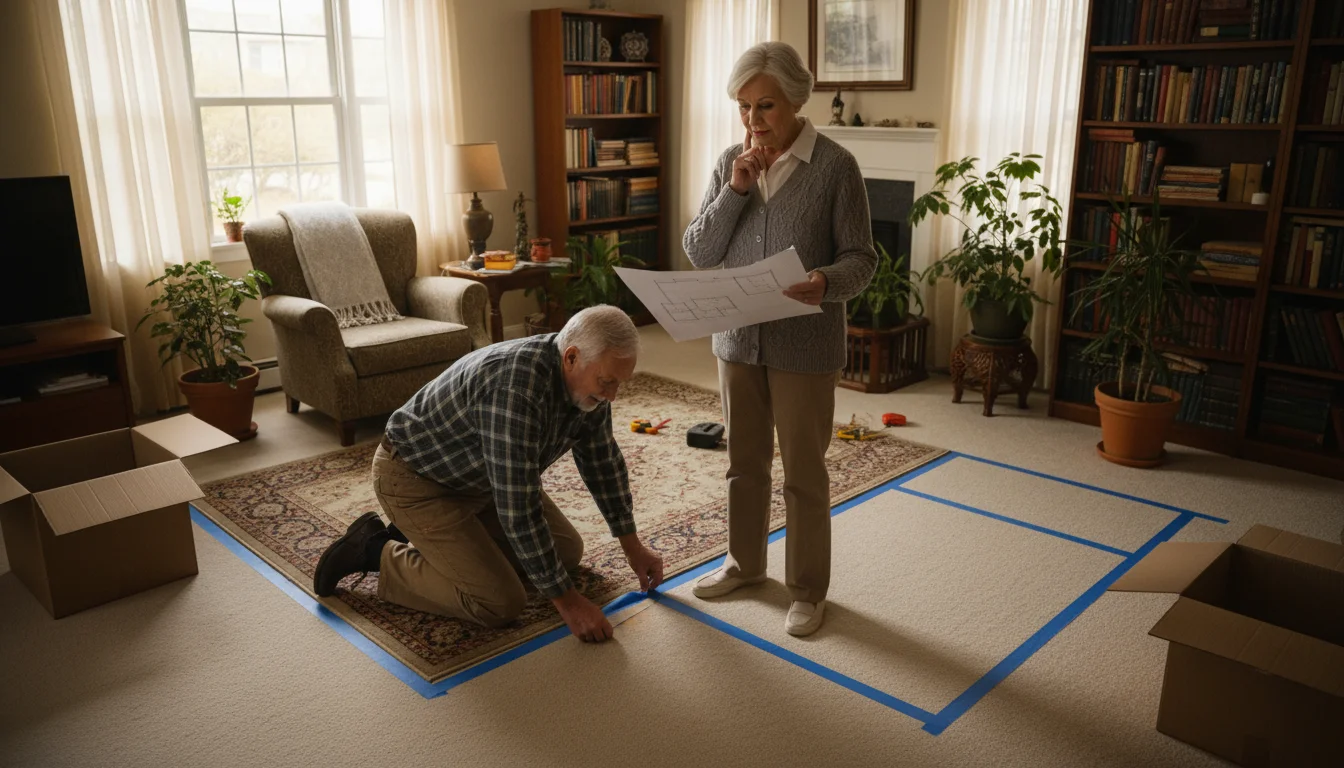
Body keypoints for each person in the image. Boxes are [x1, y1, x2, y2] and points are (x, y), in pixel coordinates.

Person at [312, 306, 665, 643]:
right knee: (500, 602)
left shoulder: (590, 390)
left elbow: (602, 462)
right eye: (607, 382)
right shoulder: (514, 389)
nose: (613, 395)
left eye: (620, 384)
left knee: (567, 553)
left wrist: (632, 547)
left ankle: (454, 544)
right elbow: (519, 507)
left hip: (481, 479)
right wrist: (569, 604)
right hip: (417, 480)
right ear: (571, 357)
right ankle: (374, 551)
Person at [682, 42, 877, 637]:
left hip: (805, 348)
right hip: (738, 343)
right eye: (743, 107)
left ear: (796, 99)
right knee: (743, 466)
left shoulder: (836, 167)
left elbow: (863, 260)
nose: (752, 121)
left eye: (764, 105)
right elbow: (700, 251)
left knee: (802, 473)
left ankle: (807, 590)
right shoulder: (729, 163)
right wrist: (735, 189)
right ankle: (743, 565)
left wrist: (824, 282)